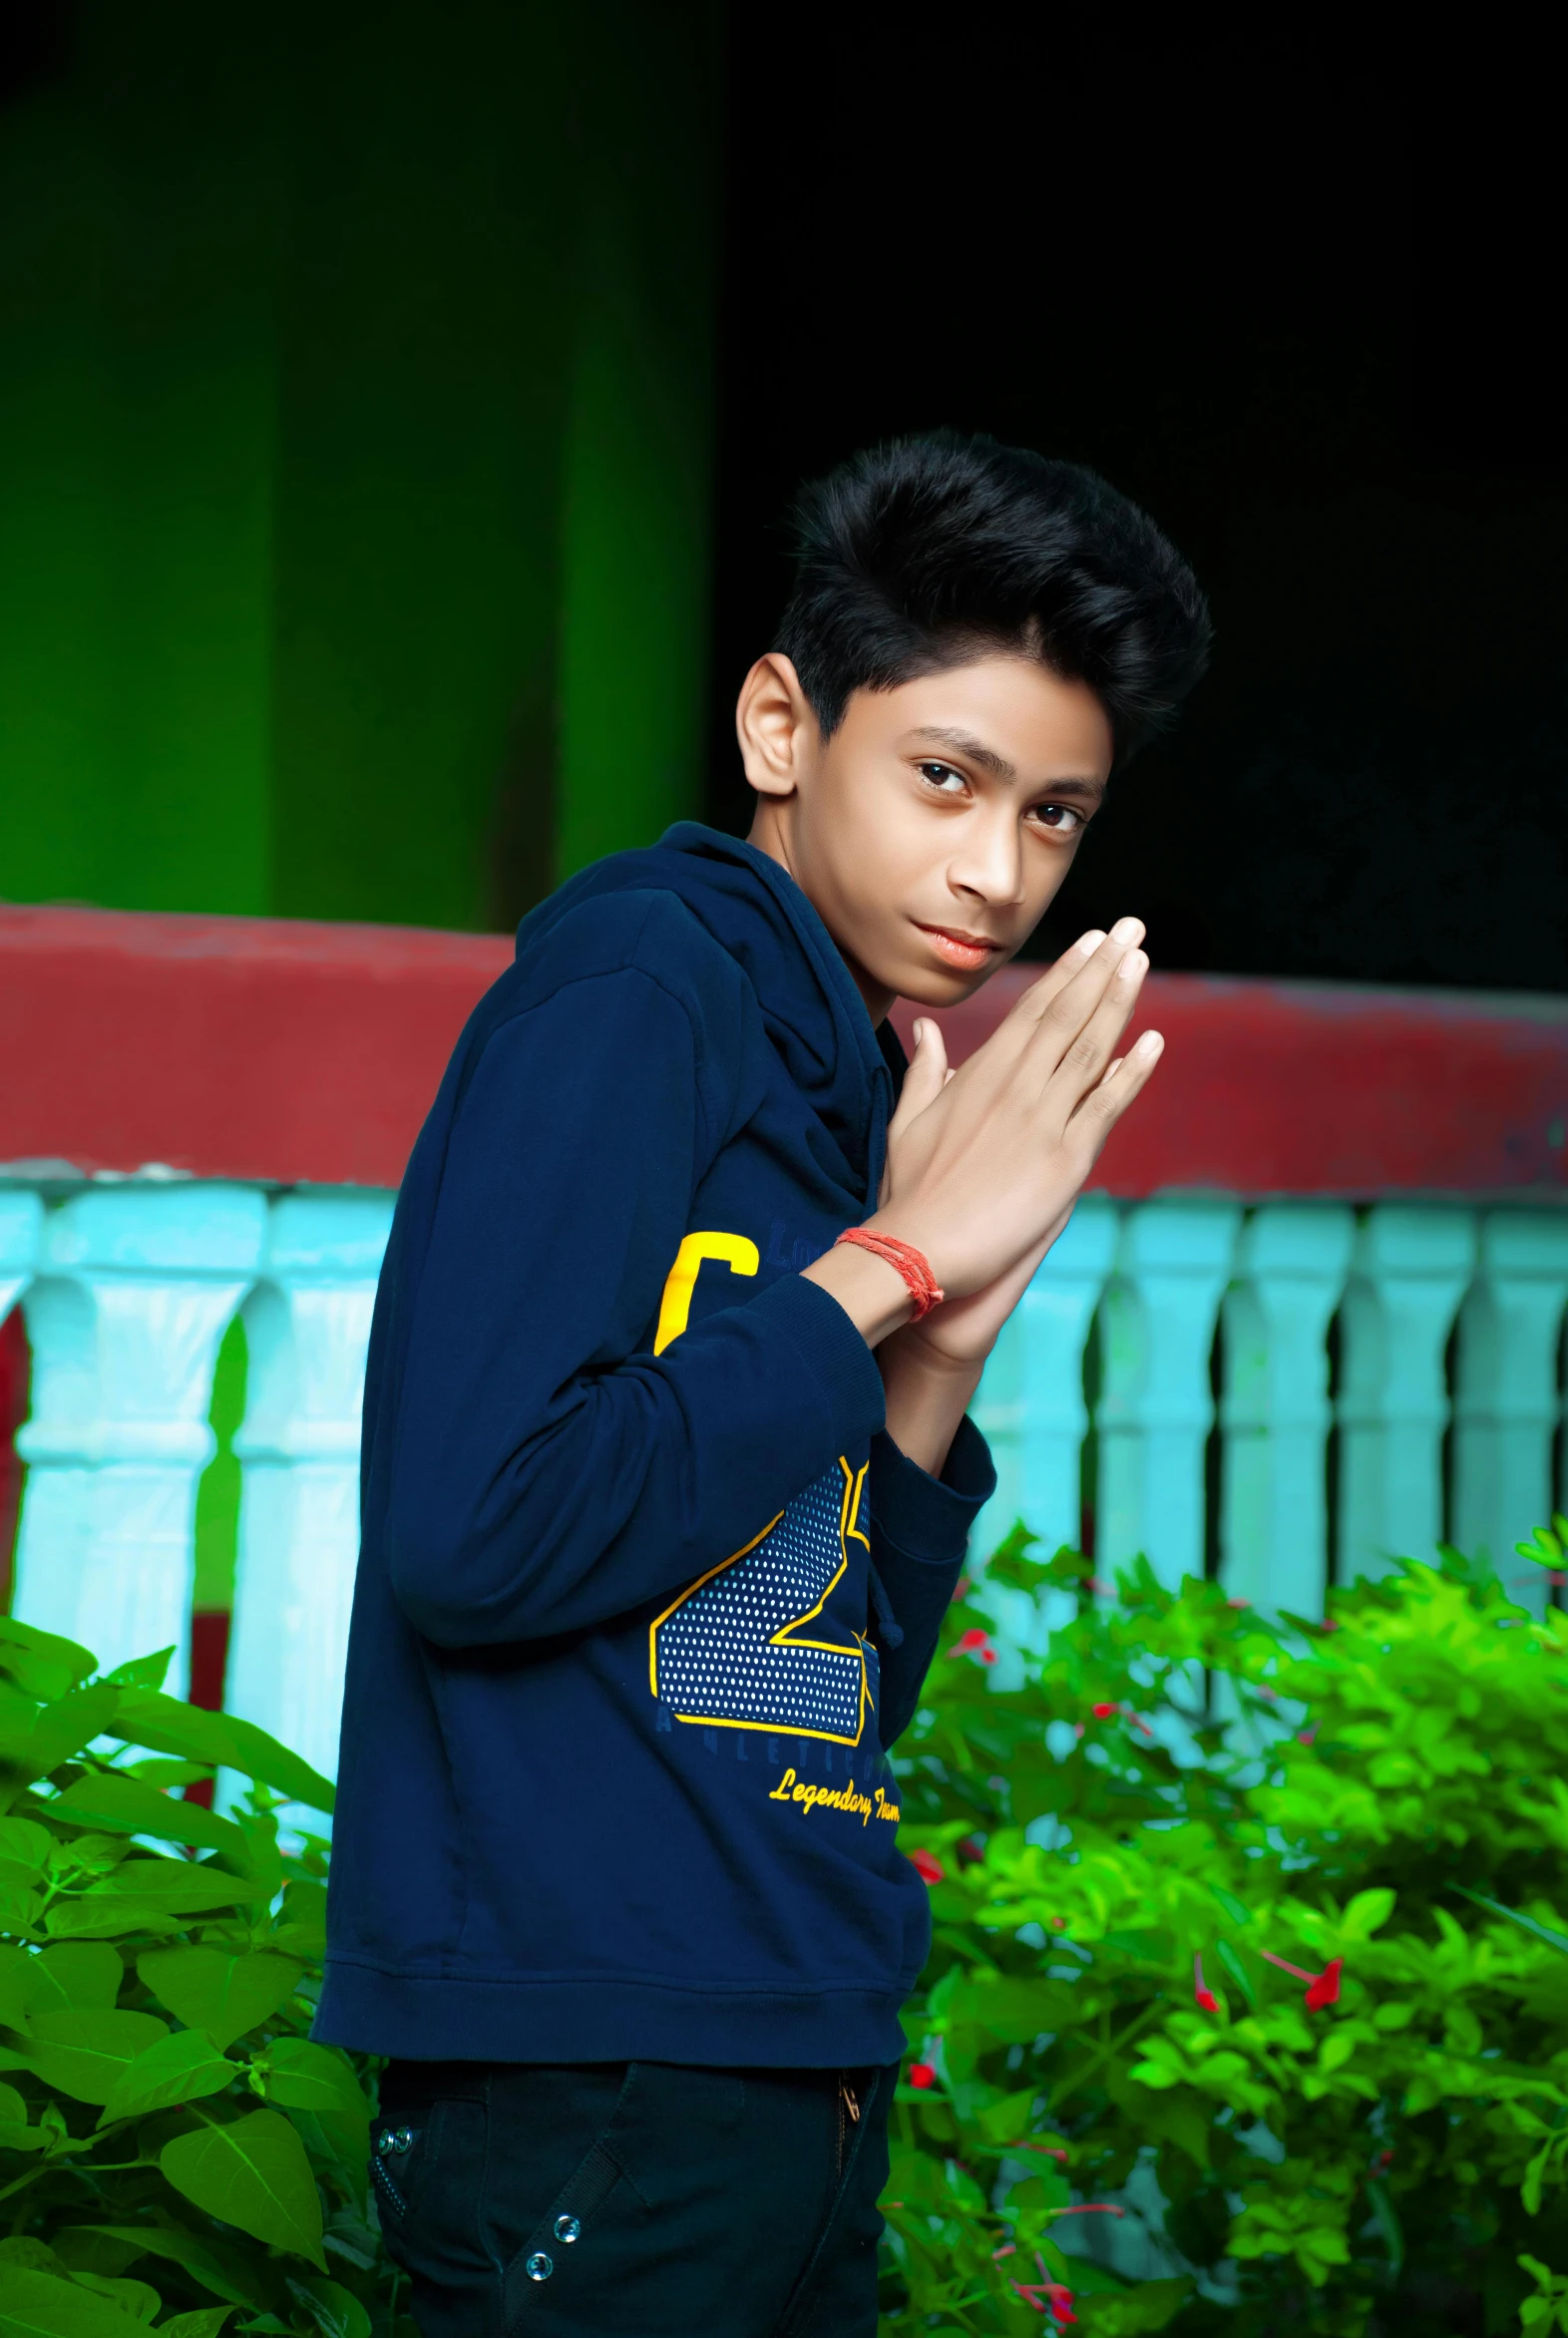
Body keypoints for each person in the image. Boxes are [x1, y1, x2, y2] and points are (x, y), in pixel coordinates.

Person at [316, 432, 1210, 2335]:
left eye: (1056, 815)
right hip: (585, 2056)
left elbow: (805, 1676)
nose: (995, 872)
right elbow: (476, 1537)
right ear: (783, 724)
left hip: (783, 2027)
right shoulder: (643, 982)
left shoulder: (857, 1080)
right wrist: (880, 1269)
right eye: (948, 778)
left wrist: (931, 1355)